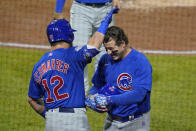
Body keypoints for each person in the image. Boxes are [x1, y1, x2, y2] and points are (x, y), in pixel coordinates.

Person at [27, 8, 119, 131]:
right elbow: (94, 45)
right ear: (69, 35)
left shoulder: (39, 65)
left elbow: (32, 99)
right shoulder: (73, 55)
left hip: (51, 121)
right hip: (74, 120)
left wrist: (49, 115)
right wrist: (105, 23)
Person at [86, 26, 152, 131]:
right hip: (112, 121)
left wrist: (109, 100)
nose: (108, 52)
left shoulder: (140, 61)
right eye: (106, 48)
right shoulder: (105, 60)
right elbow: (97, 84)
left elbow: (138, 95)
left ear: (122, 43)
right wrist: (91, 97)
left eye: (112, 49)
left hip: (136, 122)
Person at [70, 0, 121, 94]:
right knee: (79, 55)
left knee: (105, 56)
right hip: (81, 10)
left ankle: (99, 96)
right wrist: (58, 9)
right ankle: (79, 97)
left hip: (106, 9)